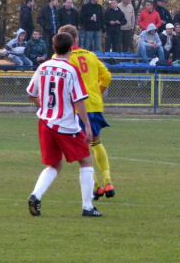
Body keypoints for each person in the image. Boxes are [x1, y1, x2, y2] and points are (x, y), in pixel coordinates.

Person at [25, 32, 102, 217]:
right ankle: (87, 207)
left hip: (44, 122)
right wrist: (88, 127)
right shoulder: (70, 69)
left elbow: (31, 92)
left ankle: (36, 195)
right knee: (86, 160)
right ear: (72, 47)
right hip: (65, 125)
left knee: (55, 164)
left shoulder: (43, 66)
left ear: (53, 47)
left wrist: (46, 107)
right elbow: (79, 101)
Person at [59, 25, 115, 200]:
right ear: (76, 39)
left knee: (81, 149)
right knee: (97, 143)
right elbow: (107, 77)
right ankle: (108, 180)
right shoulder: (90, 55)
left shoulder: (61, 58)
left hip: (75, 108)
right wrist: (97, 91)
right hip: (94, 105)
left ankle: (96, 186)